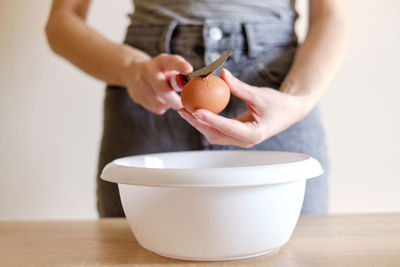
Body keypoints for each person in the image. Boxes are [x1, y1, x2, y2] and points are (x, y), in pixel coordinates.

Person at [45, 0, 349, 217]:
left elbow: (331, 15)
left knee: (295, 251)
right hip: (151, 91)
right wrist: (131, 68)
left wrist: (296, 101)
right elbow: (63, 20)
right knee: (132, 254)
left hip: (275, 95)